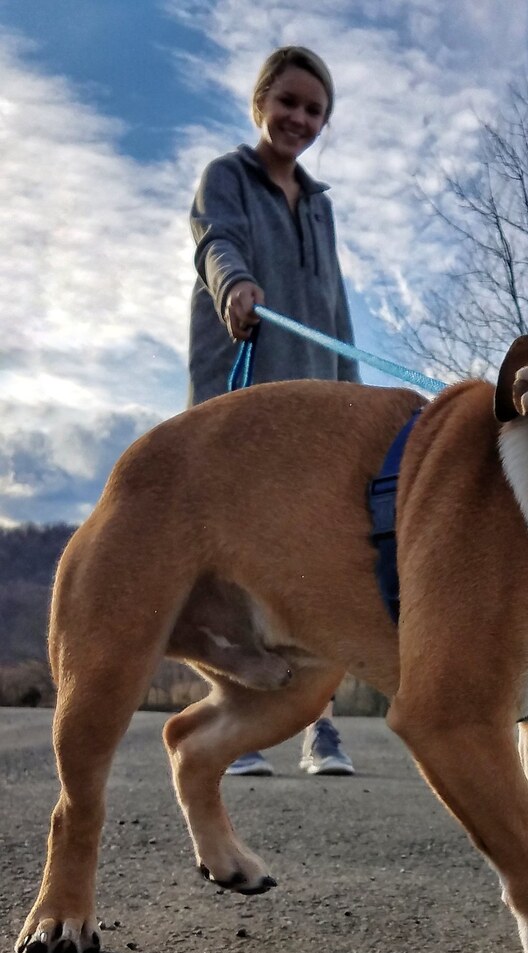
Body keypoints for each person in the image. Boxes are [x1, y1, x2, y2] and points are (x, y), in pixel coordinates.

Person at [188, 45, 357, 777]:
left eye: (314, 109)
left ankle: (320, 728)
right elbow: (215, 241)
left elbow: (336, 307)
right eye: (288, 102)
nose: (300, 118)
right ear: (260, 103)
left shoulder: (320, 206)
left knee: (321, 567)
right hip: (246, 394)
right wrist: (233, 286)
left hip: (319, 408)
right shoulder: (226, 176)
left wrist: (356, 399)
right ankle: (240, 727)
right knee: (240, 566)